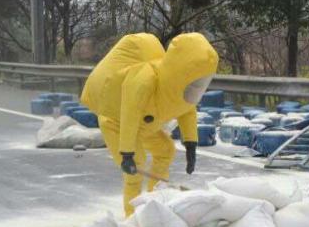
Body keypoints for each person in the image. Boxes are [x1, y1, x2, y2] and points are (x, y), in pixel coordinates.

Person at [81, 32, 219, 216]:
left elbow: (187, 109)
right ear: (180, 72)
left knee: (165, 150)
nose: (198, 86)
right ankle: (132, 215)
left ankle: (156, 201)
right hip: (118, 122)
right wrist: (127, 154)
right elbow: (129, 114)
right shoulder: (143, 79)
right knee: (135, 171)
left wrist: (191, 145)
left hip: (146, 123)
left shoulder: (184, 88)